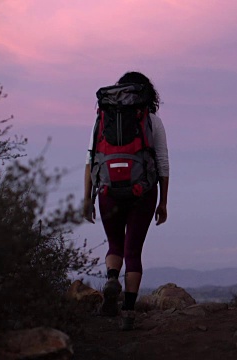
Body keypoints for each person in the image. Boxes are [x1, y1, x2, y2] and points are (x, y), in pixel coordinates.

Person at [83, 71, 169, 331]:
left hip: (108, 191)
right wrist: (163, 202)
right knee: (133, 252)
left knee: (114, 244)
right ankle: (128, 311)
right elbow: (162, 163)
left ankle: (111, 278)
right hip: (141, 193)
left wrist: (87, 198)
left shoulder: (102, 118)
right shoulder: (153, 120)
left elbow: (90, 160)